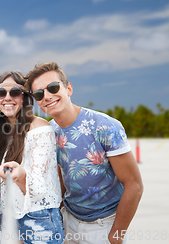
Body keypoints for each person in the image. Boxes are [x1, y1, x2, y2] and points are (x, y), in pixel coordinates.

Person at [26, 62, 143, 244]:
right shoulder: (50, 132)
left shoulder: (105, 126)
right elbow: (60, 174)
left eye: (53, 88)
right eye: (39, 94)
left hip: (104, 225)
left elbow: (134, 185)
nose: (47, 96)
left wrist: (116, 235)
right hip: (70, 221)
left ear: (69, 88)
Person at [0, 71, 64, 244]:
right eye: (1, 93)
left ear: (24, 97)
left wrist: (21, 175)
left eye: (15, 92)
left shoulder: (39, 129)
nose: (7, 97)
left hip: (40, 218)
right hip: (14, 216)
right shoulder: (5, 132)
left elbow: (38, 189)